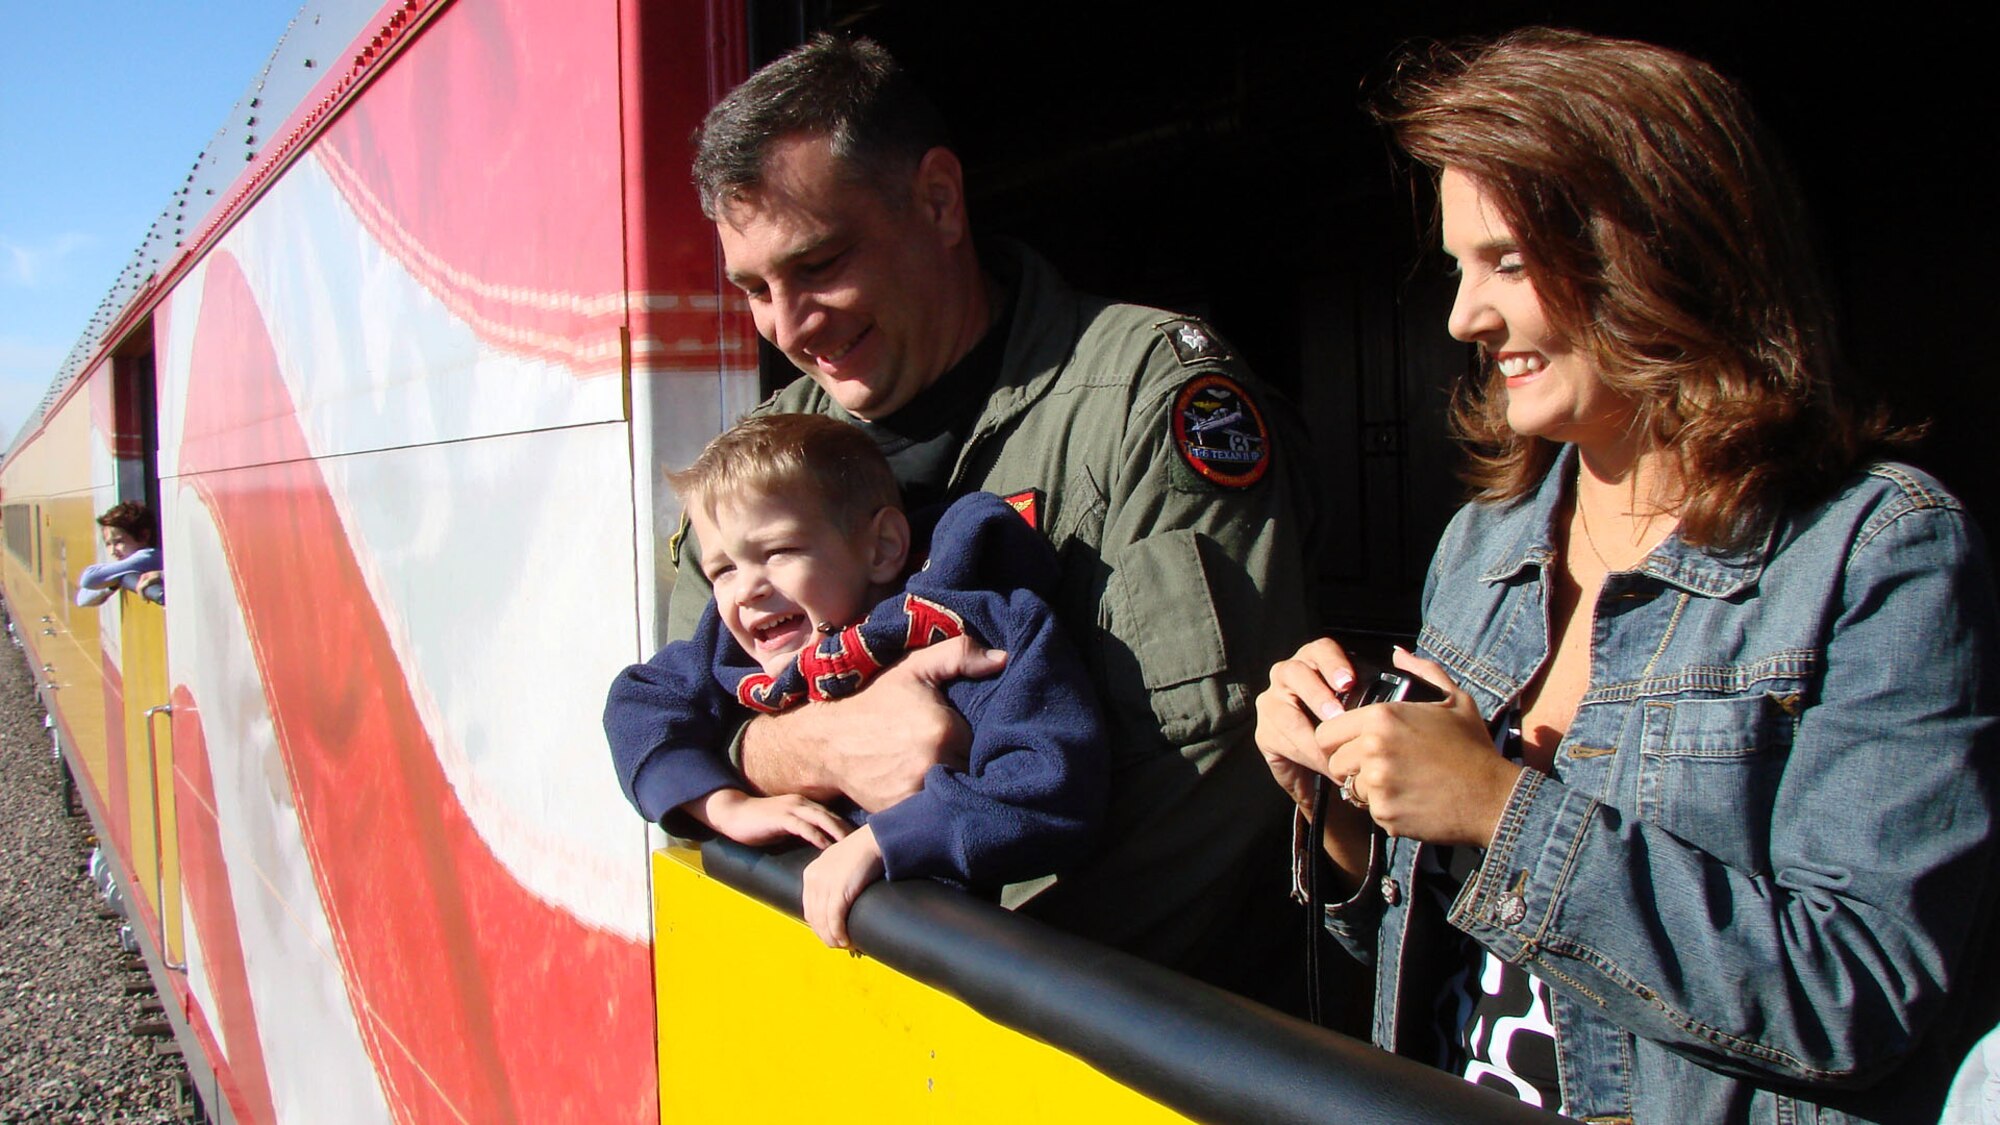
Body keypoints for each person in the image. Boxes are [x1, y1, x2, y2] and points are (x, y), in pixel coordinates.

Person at [1255, 28, 2000, 1123]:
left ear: (1657, 251)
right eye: (1461, 267)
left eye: (1505, 263)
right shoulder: (1485, 542)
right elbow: (1439, 950)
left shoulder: (1877, 553)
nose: (1463, 315)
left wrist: (1502, 810)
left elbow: (1861, 997)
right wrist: (1345, 807)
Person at [658, 34, 1317, 978]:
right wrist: (815, 744)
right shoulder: (759, 459)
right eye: (757, 289)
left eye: (820, 264)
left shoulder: (1142, 401)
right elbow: (686, 714)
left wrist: (981, 989)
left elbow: (1212, 786)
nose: (790, 327)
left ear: (938, 200)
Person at [607, 414, 1106, 948]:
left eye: (777, 552)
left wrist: (884, 841)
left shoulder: (969, 631)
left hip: (933, 959)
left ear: (882, 547)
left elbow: (1049, 781)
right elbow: (637, 703)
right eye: (723, 570)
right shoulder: (728, 647)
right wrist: (726, 806)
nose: (746, 589)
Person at [77, 501, 164, 607]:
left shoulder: (148, 556)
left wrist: (111, 579)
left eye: (119, 542)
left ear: (144, 536)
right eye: (108, 544)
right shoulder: (130, 563)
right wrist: (113, 583)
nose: (113, 551)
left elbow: (88, 578)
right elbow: (81, 599)